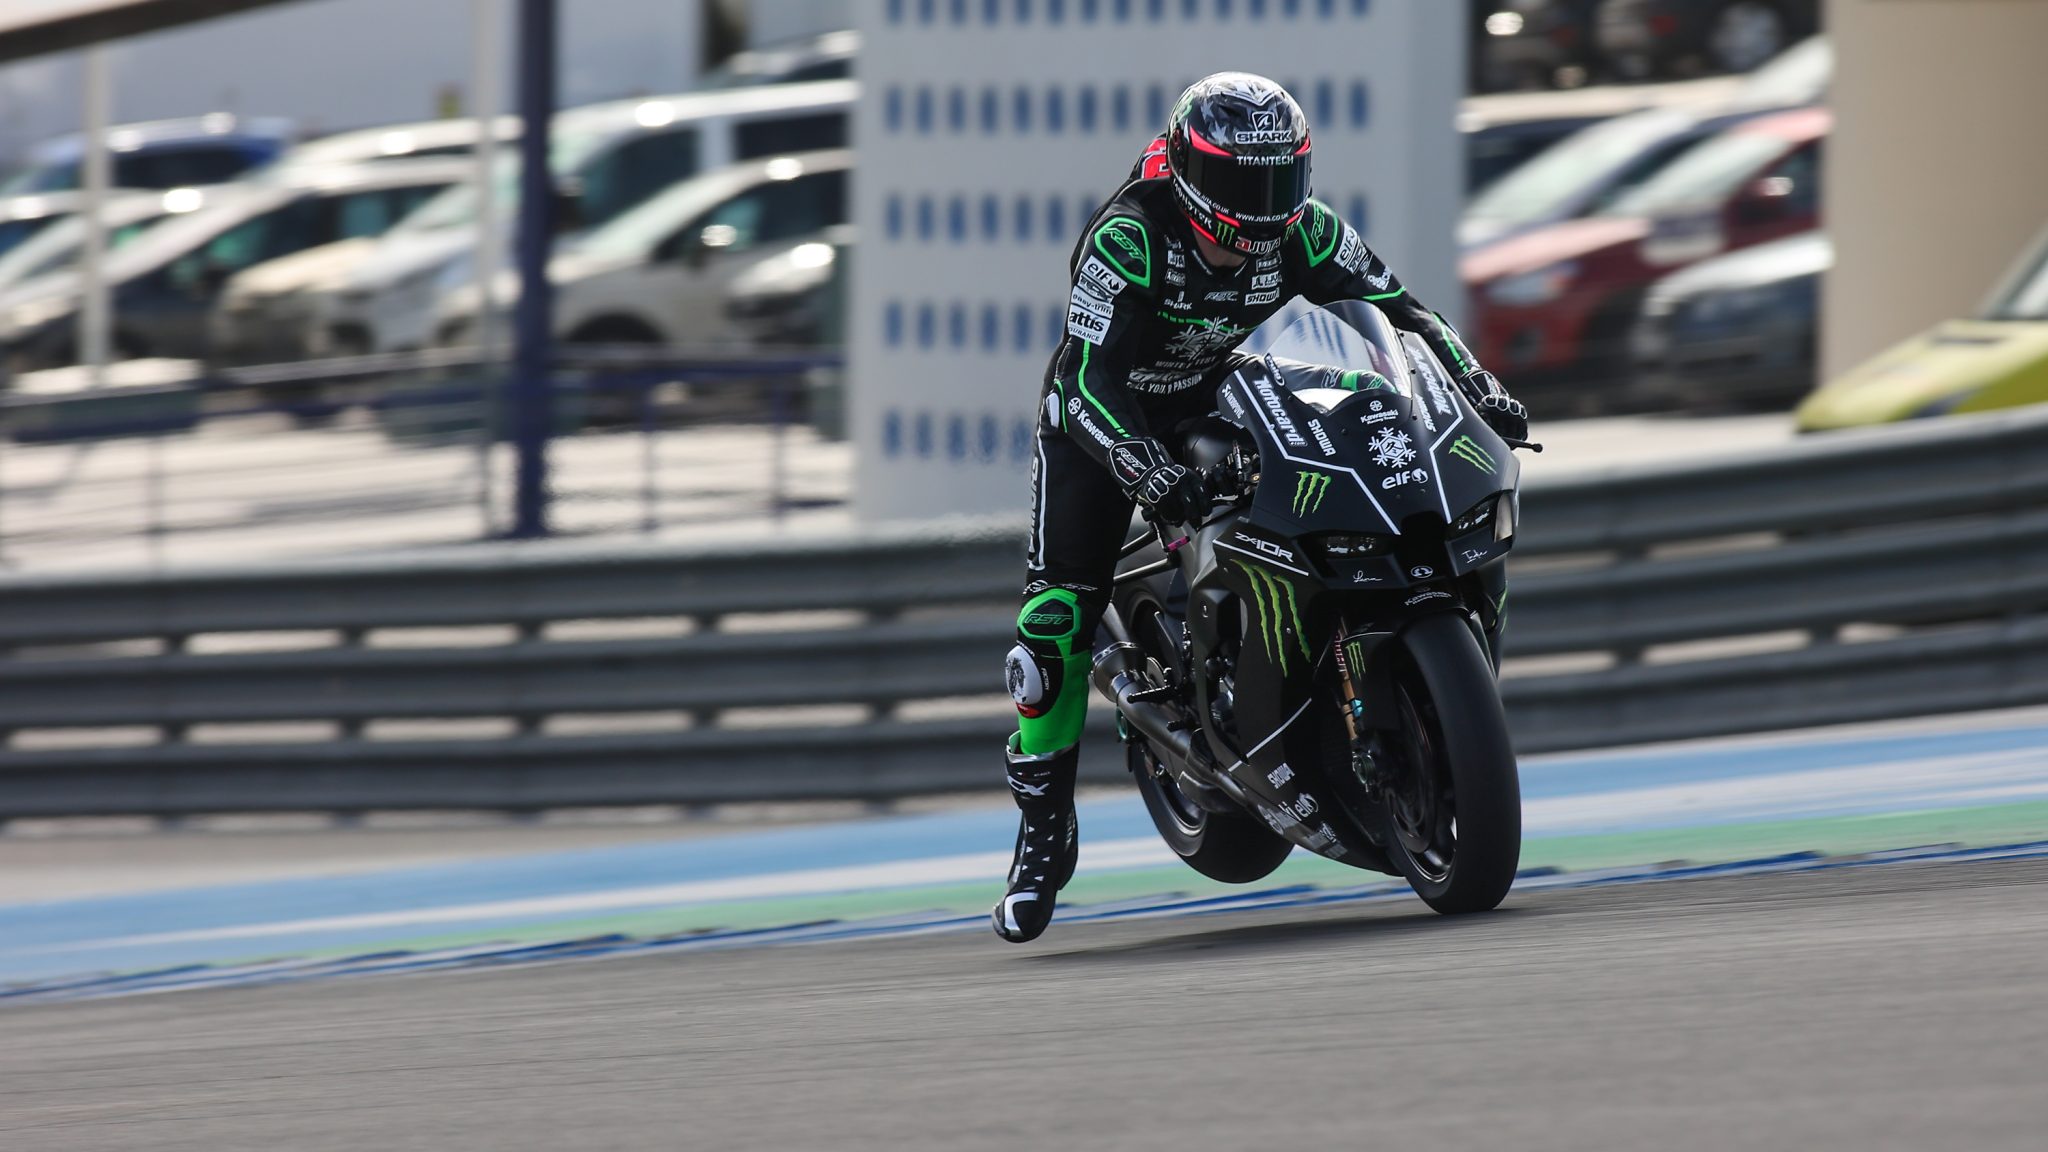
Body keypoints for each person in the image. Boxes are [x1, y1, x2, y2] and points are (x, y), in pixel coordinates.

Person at [994, 72, 1528, 943]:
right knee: (1052, 622)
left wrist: (1476, 384)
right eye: (1242, 181)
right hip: (1106, 419)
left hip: (1217, 392)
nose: (1263, 203)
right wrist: (1143, 469)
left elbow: (1403, 313)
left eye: (1280, 178)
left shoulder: (1304, 229)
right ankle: (1043, 835)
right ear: (1189, 170)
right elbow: (1084, 380)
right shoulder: (1129, 239)